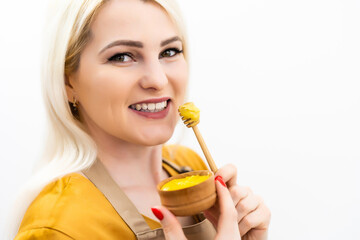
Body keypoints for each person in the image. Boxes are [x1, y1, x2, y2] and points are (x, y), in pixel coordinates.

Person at [9, 0, 271, 239]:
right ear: (68, 82)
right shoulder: (56, 226)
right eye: (122, 56)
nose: (157, 80)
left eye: (169, 52)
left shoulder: (189, 169)